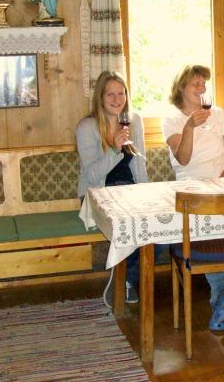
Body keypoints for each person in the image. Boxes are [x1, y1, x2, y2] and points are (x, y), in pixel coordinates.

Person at [162, 65, 224, 331]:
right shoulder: (172, 119)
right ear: (181, 87)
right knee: (213, 228)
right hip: (192, 191)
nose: (201, 89)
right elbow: (183, 159)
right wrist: (189, 126)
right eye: (195, 84)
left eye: (203, 84)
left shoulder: (217, 113)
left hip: (222, 185)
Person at [76, 70, 148, 304]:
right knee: (128, 223)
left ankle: (125, 279)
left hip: (129, 190)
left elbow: (139, 163)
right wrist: (115, 150)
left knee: (155, 231)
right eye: (110, 94)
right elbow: (91, 175)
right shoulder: (87, 127)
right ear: (100, 97)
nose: (117, 100)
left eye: (121, 93)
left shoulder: (134, 120)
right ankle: (124, 282)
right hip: (97, 193)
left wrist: (146, 193)